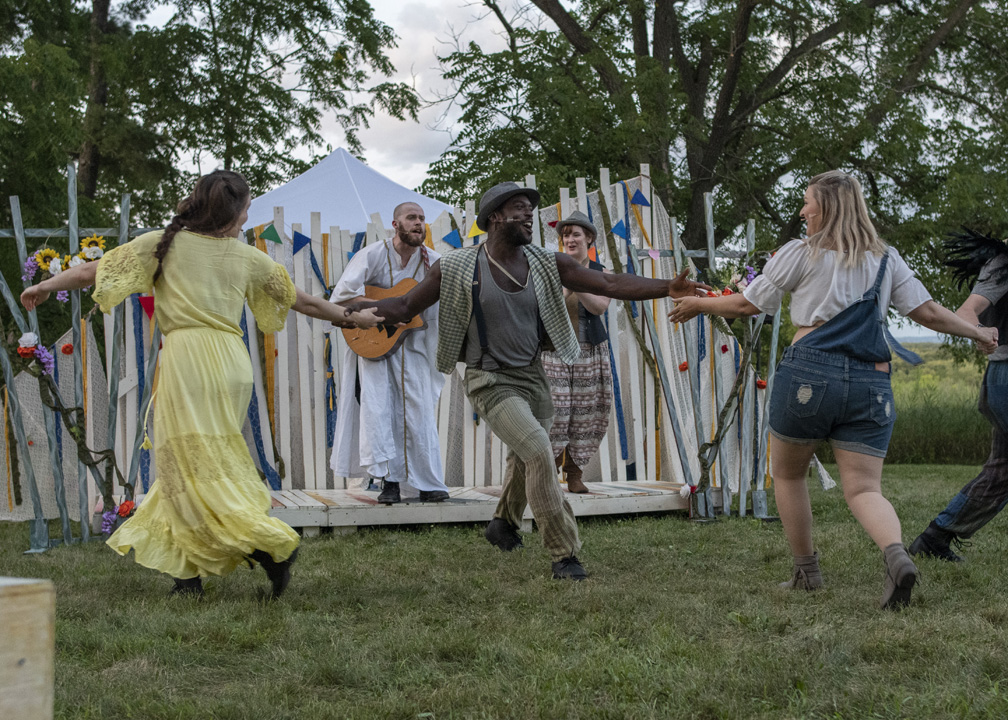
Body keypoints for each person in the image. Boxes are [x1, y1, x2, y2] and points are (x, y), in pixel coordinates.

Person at [21, 170, 376, 599]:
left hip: (189, 361)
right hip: (230, 361)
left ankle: (267, 547)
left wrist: (44, 284)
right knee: (196, 464)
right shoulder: (247, 258)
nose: (248, 217)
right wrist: (352, 318)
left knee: (185, 465)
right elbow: (304, 301)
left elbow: (91, 272)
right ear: (234, 211)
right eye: (246, 209)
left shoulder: (163, 244)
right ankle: (188, 577)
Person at [343, 181, 709, 580]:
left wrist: (666, 289)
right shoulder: (456, 266)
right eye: (518, 209)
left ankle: (502, 522)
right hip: (489, 379)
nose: (528, 216)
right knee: (537, 450)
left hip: (534, 377)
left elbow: (608, 284)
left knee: (523, 458)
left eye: (529, 210)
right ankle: (564, 553)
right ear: (494, 218)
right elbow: (405, 305)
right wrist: (343, 312)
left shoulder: (546, 263)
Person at [667, 170, 997, 609]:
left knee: (787, 473)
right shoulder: (886, 258)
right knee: (864, 489)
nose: (802, 211)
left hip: (808, 374)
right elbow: (931, 313)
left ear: (827, 208)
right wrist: (977, 334)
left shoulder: (800, 254)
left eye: (808, 203)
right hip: (870, 382)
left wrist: (697, 304)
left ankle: (806, 572)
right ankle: (896, 556)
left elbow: (747, 305)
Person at [330, 202, 450, 504]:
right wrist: (386, 309)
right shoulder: (371, 255)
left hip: (418, 347)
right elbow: (342, 297)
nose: (418, 223)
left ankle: (429, 483)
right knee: (380, 413)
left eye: (422, 219)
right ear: (395, 225)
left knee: (419, 414)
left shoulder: (433, 263)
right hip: (376, 345)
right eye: (411, 218)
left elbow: (444, 306)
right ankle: (390, 483)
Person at [910, 238, 1008, 561]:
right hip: (1005, 376)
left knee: (1001, 472)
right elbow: (966, 312)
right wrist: (981, 332)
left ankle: (935, 537)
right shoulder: (1003, 263)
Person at [542, 210, 612, 494]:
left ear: (589, 238)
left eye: (575, 235)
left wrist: (578, 283)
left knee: (585, 411)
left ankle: (575, 473)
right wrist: (566, 283)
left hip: (589, 348)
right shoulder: (551, 269)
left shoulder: (601, 272)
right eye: (565, 235)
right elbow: (545, 309)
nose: (569, 240)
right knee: (555, 408)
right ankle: (551, 470)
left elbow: (600, 307)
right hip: (555, 348)